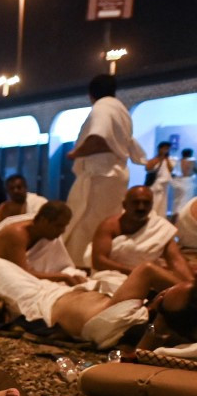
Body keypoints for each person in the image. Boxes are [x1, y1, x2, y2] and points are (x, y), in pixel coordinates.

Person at [0, 258, 194, 349]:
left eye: (166, 293)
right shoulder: (138, 317)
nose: (163, 290)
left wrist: (159, 318)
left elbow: (147, 269)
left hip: (39, 302)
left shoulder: (124, 317)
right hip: (66, 291)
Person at [63, 74, 147, 266]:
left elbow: (99, 138)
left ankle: (82, 265)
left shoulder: (102, 108)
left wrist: (76, 153)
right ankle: (101, 261)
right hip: (115, 174)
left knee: (87, 223)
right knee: (106, 221)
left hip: (101, 175)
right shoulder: (121, 110)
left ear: (91, 93)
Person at [88, 185, 192, 290]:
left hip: (145, 279)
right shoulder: (109, 225)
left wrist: (190, 283)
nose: (141, 207)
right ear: (125, 205)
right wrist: (134, 271)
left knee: (183, 288)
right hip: (110, 276)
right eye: (136, 202)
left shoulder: (159, 228)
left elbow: (176, 261)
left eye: (146, 203)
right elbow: (98, 261)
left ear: (152, 205)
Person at [0, 201, 83, 284]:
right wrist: (63, 277)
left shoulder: (50, 235)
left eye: (64, 226)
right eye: (59, 226)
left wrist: (71, 275)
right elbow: (23, 273)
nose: (62, 231)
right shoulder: (17, 234)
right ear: (43, 220)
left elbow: (61, 266)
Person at [145, 141, 174, 218]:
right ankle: (151, 217)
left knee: (162, 204)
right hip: (154, 184)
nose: (166, 150)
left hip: (164, 186)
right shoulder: (154, 159)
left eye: (167, 149)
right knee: (154, 202)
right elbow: (148, 168)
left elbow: (170, 169)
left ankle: (159, 218)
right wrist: (160, 159)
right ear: (160, 149)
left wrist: (166, 158)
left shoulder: (169, 159)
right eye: (164, 148)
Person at [171, 147, 195, 219]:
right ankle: (184, 217)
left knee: (177, 201)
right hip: (188, 182)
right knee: (186, 201)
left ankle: (175, 216)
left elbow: (173, 173)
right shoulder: (192, 161)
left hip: (177, 182)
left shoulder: (177, 161)